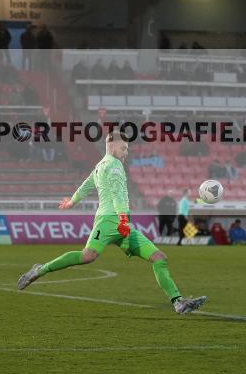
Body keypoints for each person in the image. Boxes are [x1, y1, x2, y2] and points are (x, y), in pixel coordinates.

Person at [16, 132, 207, 315]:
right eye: (124, 148)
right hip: (109, 221)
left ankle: (178, 302)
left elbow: (86, 184)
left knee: (158, 257)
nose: (126, 152)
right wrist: (123, 219)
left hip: (120, 224)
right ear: (112, 146)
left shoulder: (101, 165)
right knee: (87, 256)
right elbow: (116, 195)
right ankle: (40, 270)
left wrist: (73, 201)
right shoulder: (114, 166)